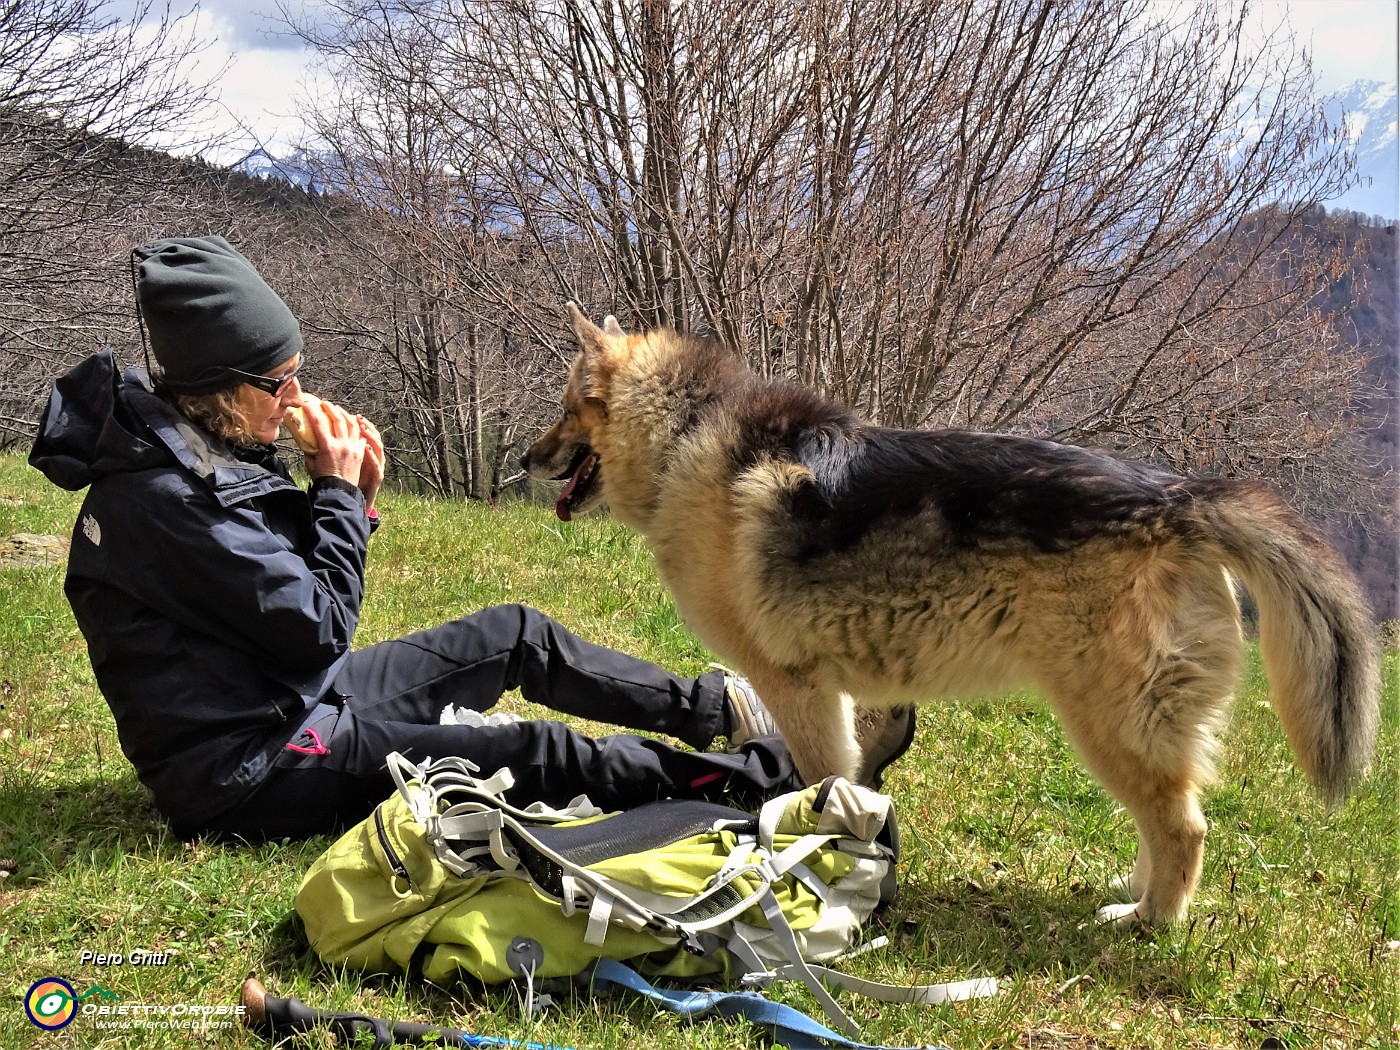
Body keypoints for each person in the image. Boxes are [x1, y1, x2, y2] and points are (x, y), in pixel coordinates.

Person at [27, 234, 835, 843]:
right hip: (252, 766)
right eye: (277, 383)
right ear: (215, 388)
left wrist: (353, 498)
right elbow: (313, 628)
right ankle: (764, 781)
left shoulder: (194, 444)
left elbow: (266, 593)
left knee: (514, 635)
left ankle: (723, 708)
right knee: (537, 751)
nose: (295, 395)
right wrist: (339, 494)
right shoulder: (160, 497)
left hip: (289, 697)